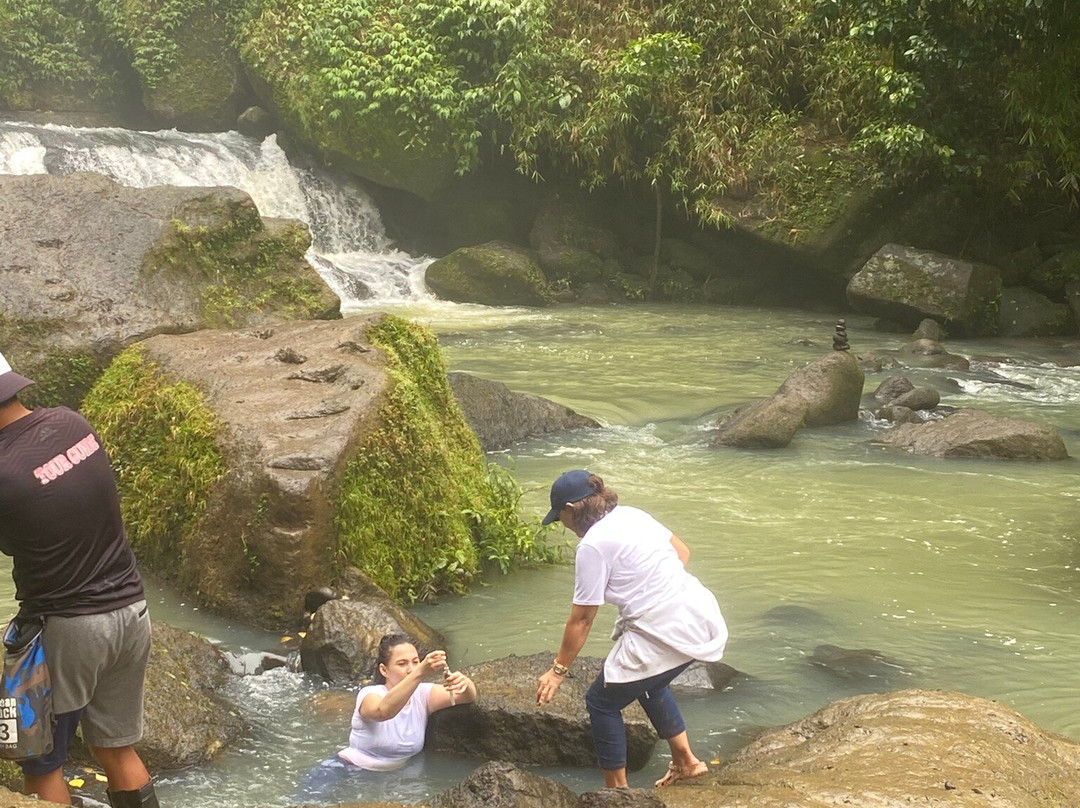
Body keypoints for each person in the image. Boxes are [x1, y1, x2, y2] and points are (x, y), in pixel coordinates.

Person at [0, 352, 158, 808]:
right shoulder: (73, 423)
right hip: (132, 611)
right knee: (115, 747)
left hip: (71, 628)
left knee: (43, 761)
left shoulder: (4, 473)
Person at [535, 470, 728, 789]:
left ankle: (617, 793)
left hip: (664, 629)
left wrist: (558, 671)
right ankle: (687, 762)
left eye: (560, 517)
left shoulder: (592, 546)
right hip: (699, 613)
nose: (563, 525)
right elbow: (682, 553)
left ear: (571, 509)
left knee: (601, 701)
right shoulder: (632, 515)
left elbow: (582, 619)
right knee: (647, 680)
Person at [337, 633, 477, 771]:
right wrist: (420, 672)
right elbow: (382, 712)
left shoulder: (423, 694)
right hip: (348, 770)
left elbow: (466, 696)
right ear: (384, 670)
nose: (411, 669)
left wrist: (466, 683)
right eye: (402, 664)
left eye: (416, 662)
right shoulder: (370, 694)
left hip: (396, 776)